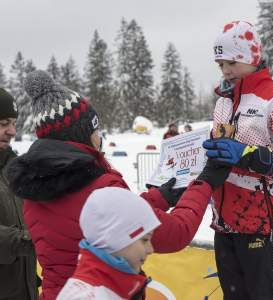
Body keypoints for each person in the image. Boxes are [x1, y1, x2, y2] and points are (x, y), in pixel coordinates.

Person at [5, 70, 231, 299]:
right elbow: (175, 234)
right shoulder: (96, 183)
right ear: (82, 135)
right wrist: (204, 182)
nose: (99, 136)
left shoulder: (36, 183)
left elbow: (104, 216)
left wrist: (158, 198)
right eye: (95, 129)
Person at [202, 21, 273, 300]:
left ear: (251, 58)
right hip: (224, 224)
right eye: (220, 64)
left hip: (262, 226)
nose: (226, 70)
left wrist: (248, 154)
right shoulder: (223, 103)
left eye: (232, 62)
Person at [57, 187, 161, 299]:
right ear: (114, 239)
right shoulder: (86, 296)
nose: (151, 250)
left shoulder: (116, 288)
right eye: (144, 240)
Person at [0, 88, 39, 300]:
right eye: (3, 123)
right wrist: (29, 240)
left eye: (14, 123)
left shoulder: (15, 170)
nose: (13, 131)